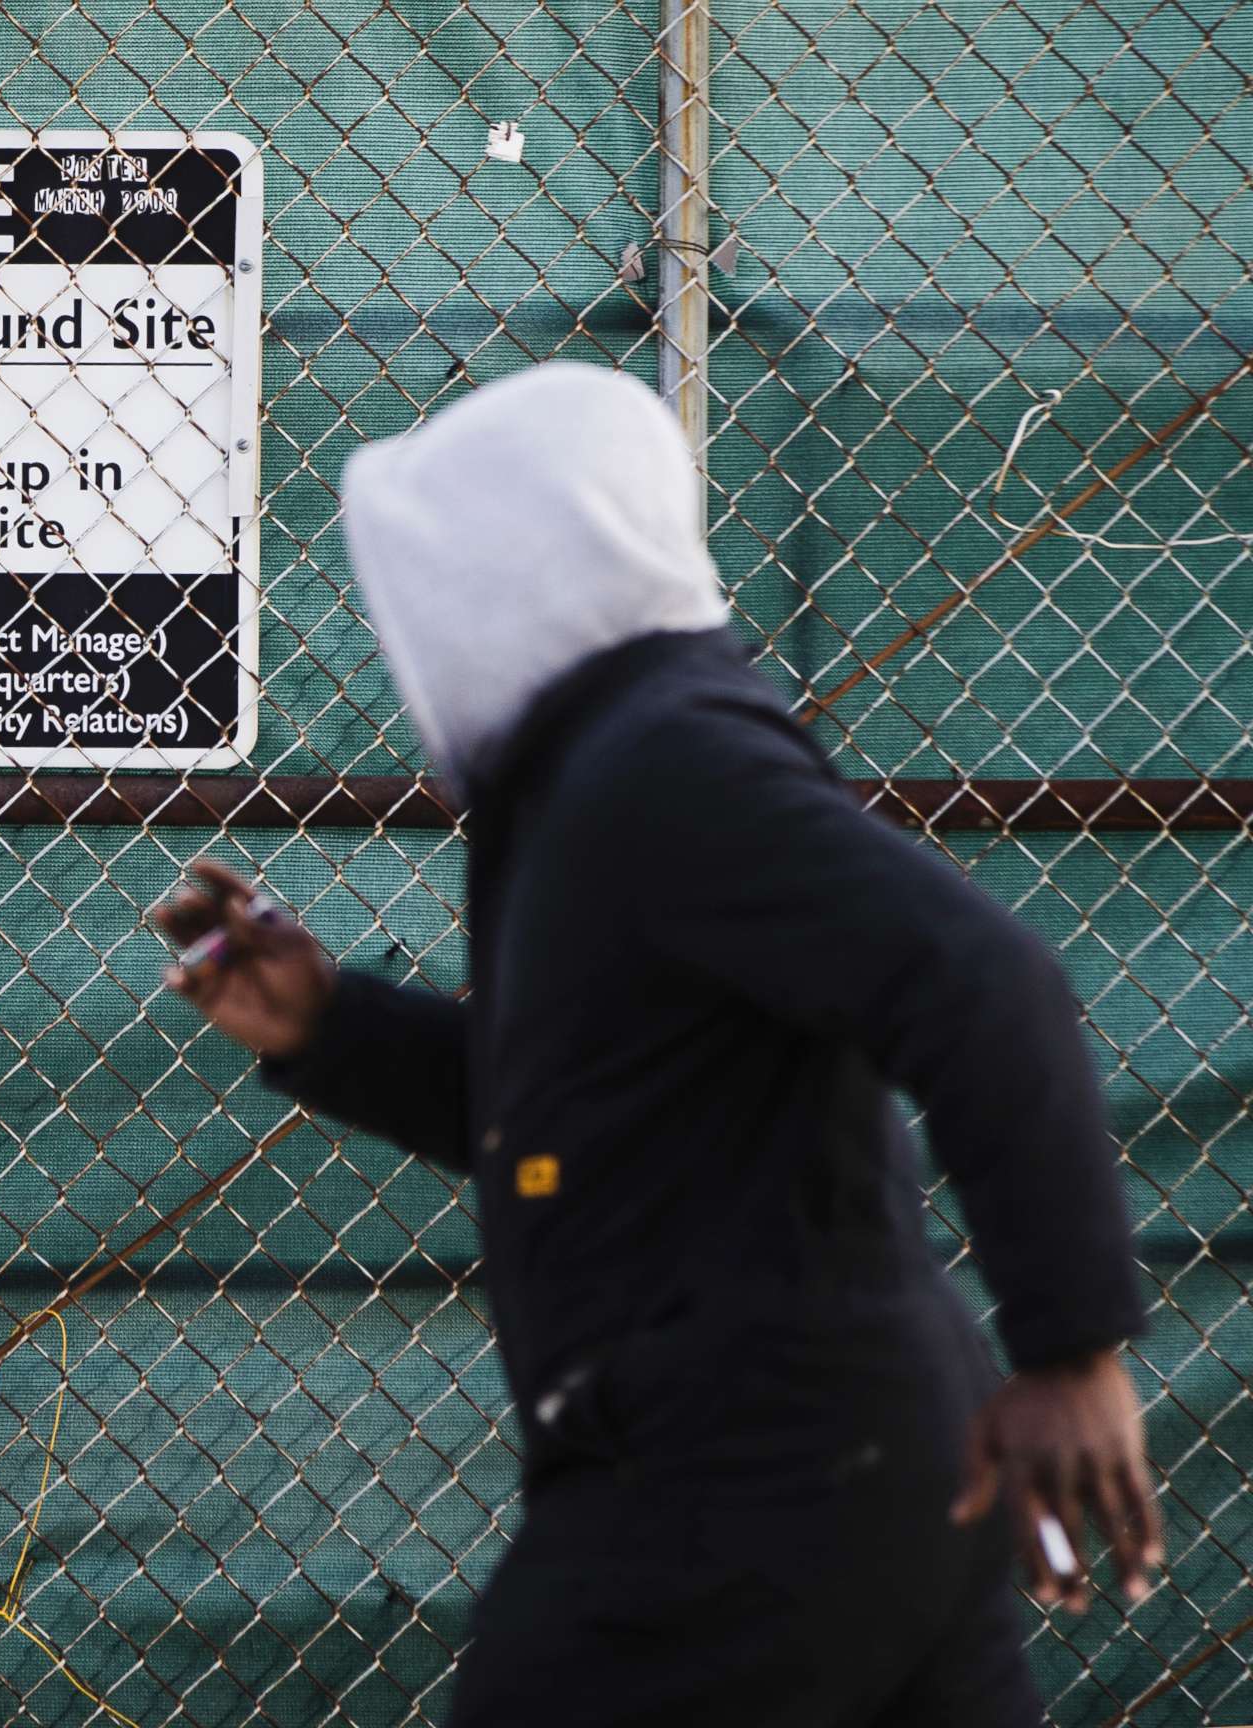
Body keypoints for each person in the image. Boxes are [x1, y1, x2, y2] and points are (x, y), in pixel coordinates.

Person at [154, 363, 1158, 1726]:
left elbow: (989, 979)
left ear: (516, 572)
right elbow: (597, 1117)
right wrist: (334, 1029)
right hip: (850, 1472)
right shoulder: (601, 775)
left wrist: (1074, 1351)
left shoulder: (660, 764)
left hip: (743, 1482)